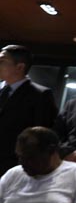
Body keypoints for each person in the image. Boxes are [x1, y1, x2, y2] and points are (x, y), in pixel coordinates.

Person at [0, 126, 76, 203]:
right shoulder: (13, 174)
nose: (22, 162)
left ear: (51, 152)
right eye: (20, 157)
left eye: (30, 157)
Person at [0, 45, 58, 176]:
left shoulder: (40, 95)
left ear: (20, 67)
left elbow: (41, 134)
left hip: (14, 164)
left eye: (2, 61)